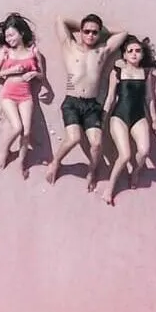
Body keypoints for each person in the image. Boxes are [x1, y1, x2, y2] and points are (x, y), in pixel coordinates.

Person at [45, 13, 131, 190]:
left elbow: (123, 32)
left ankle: (92, 171)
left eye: (94, 32)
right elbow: (60, 19)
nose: (90, 35)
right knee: (74, 138)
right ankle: (55, 162)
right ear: (81, 32)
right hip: (72, 102)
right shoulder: (69, 46)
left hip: (92, 105)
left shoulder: (102, 50)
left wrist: (101, 30)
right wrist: (82, 24)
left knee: (97, 143)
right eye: (86, 31)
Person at [101, 35, 156, 205]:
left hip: (139, 117)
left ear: (143, 54)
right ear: (124, 55)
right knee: (125, 155)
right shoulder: (117, 72)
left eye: (138, 51)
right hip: (119, 117)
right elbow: (110, 98)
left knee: (144, 151)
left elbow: (150, 98)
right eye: (130, 51)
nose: (134, 54)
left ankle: (135, 172)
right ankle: (110, 189)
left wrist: (155, 121)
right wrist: (102, 118)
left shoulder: (146, 73)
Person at [0, 13, 53, 176]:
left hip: (26, 94)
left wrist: (34, 75)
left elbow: (42, 76)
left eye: (11, 35)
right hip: (9, 94)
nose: (9, 39)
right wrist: (11, 70)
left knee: (26, 131)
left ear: (21, 33)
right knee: (17, 127)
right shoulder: (5, 52)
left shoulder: (33, 52)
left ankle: (21, 163)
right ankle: (5, 152)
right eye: (7, 36)